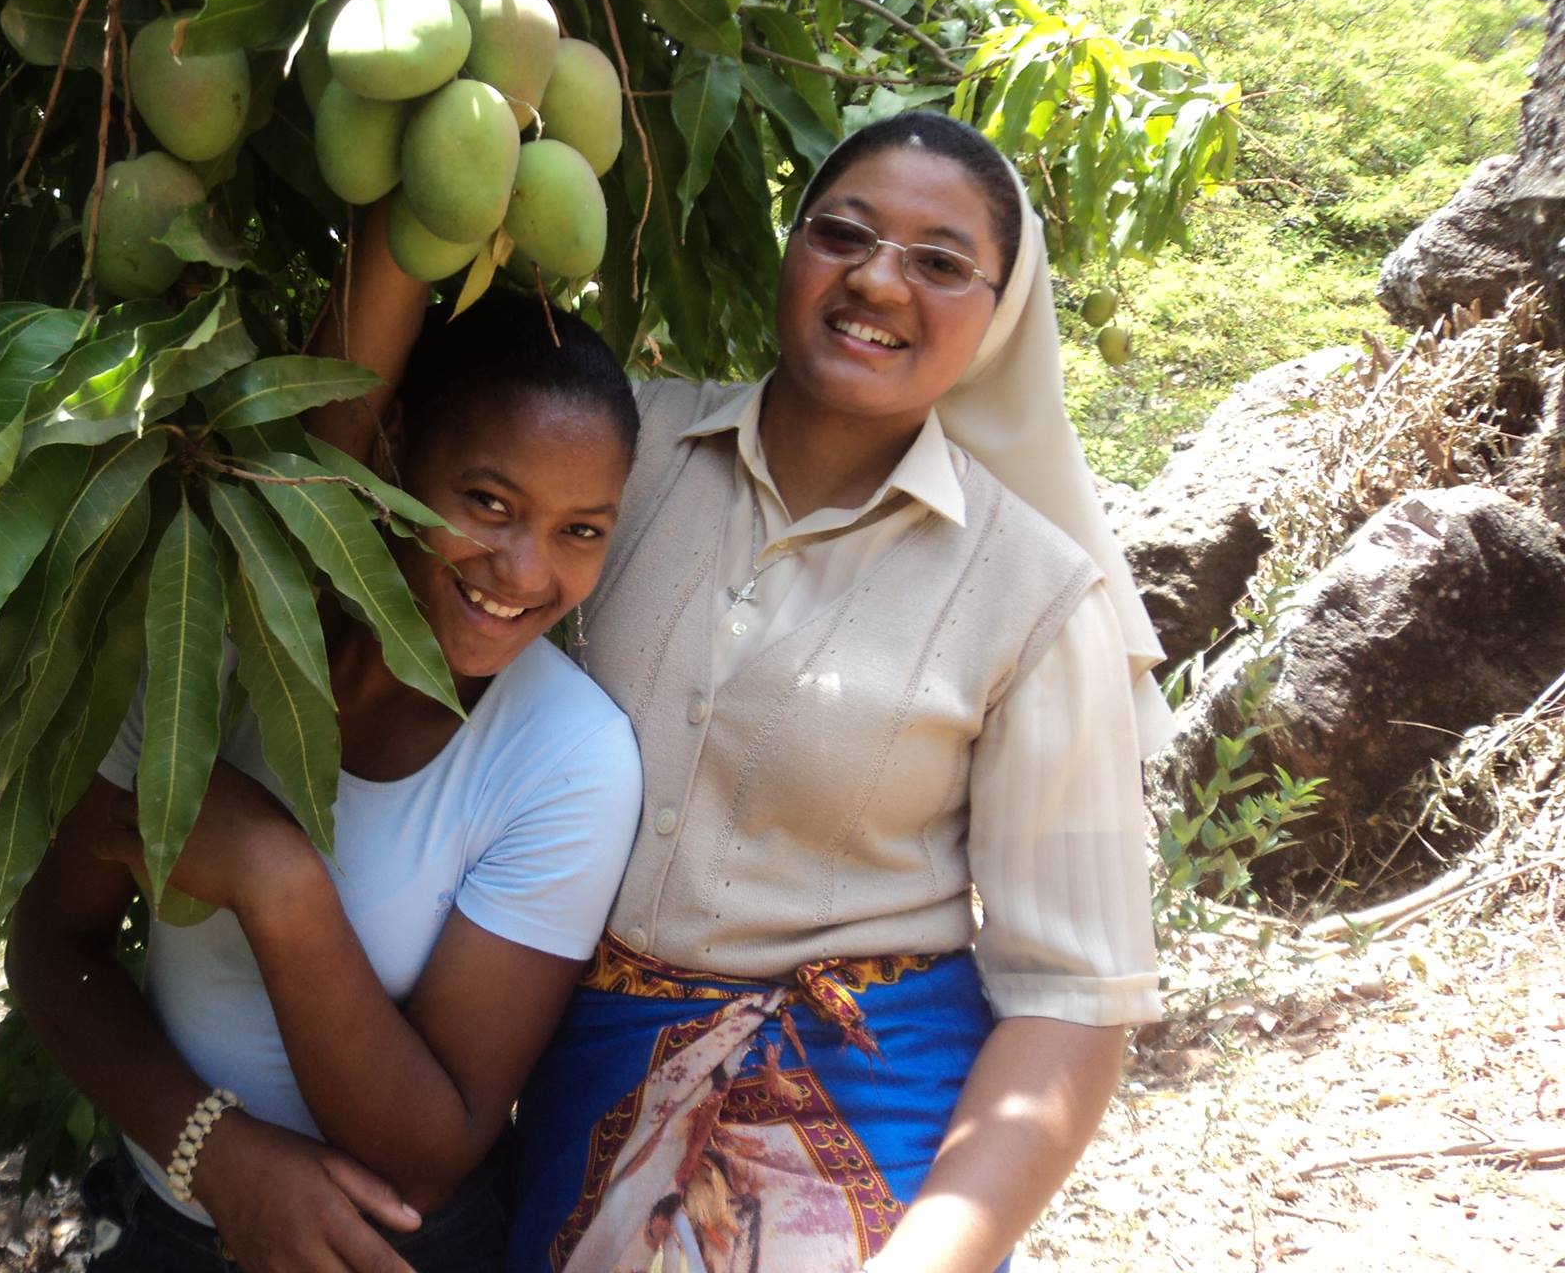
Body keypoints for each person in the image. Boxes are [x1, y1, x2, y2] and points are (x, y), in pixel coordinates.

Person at [318, 111, 1169, 1273]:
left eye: (938, 261)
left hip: (864, 1100)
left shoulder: (1034, 596)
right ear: (790, 248)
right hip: (578, 1076)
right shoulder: (617, 454)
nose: (878, 279)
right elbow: (346, 453)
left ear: (997, 311)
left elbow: (1067, 998)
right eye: (844, 233)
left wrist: (931, 1257)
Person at [7, 287, 645, 1273]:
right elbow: (53, 940)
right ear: (394, 455)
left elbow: (433, 1152)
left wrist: (283, 885)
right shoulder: (214, 639)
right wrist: (219, 1157)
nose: (523, 572)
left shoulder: (570, 758)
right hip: (162, 1218)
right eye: (488, 503)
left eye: (581, 530)